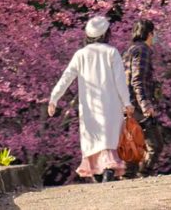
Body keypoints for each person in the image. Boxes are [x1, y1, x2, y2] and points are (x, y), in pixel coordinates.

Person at [48, 16, 133, 183]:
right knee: (108, 139)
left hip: (89, 107)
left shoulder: (81, 54)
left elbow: (66, 77)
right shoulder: (111, 52)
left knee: (94, 139)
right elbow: (120, 80)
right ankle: (108, 170)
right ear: (106, 33)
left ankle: (100, 172)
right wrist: (127, 102)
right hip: (111, 105)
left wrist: (54, 98)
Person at [122, 19, 164, 177]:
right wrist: (146, 104)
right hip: (138, 104)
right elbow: (138, 80)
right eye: (154, 33)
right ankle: (143, 173)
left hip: (128, 103)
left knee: (133, 141)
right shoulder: (143, 50)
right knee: (156, 144)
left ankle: (129, 176)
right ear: (149, 33)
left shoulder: (130, 50)